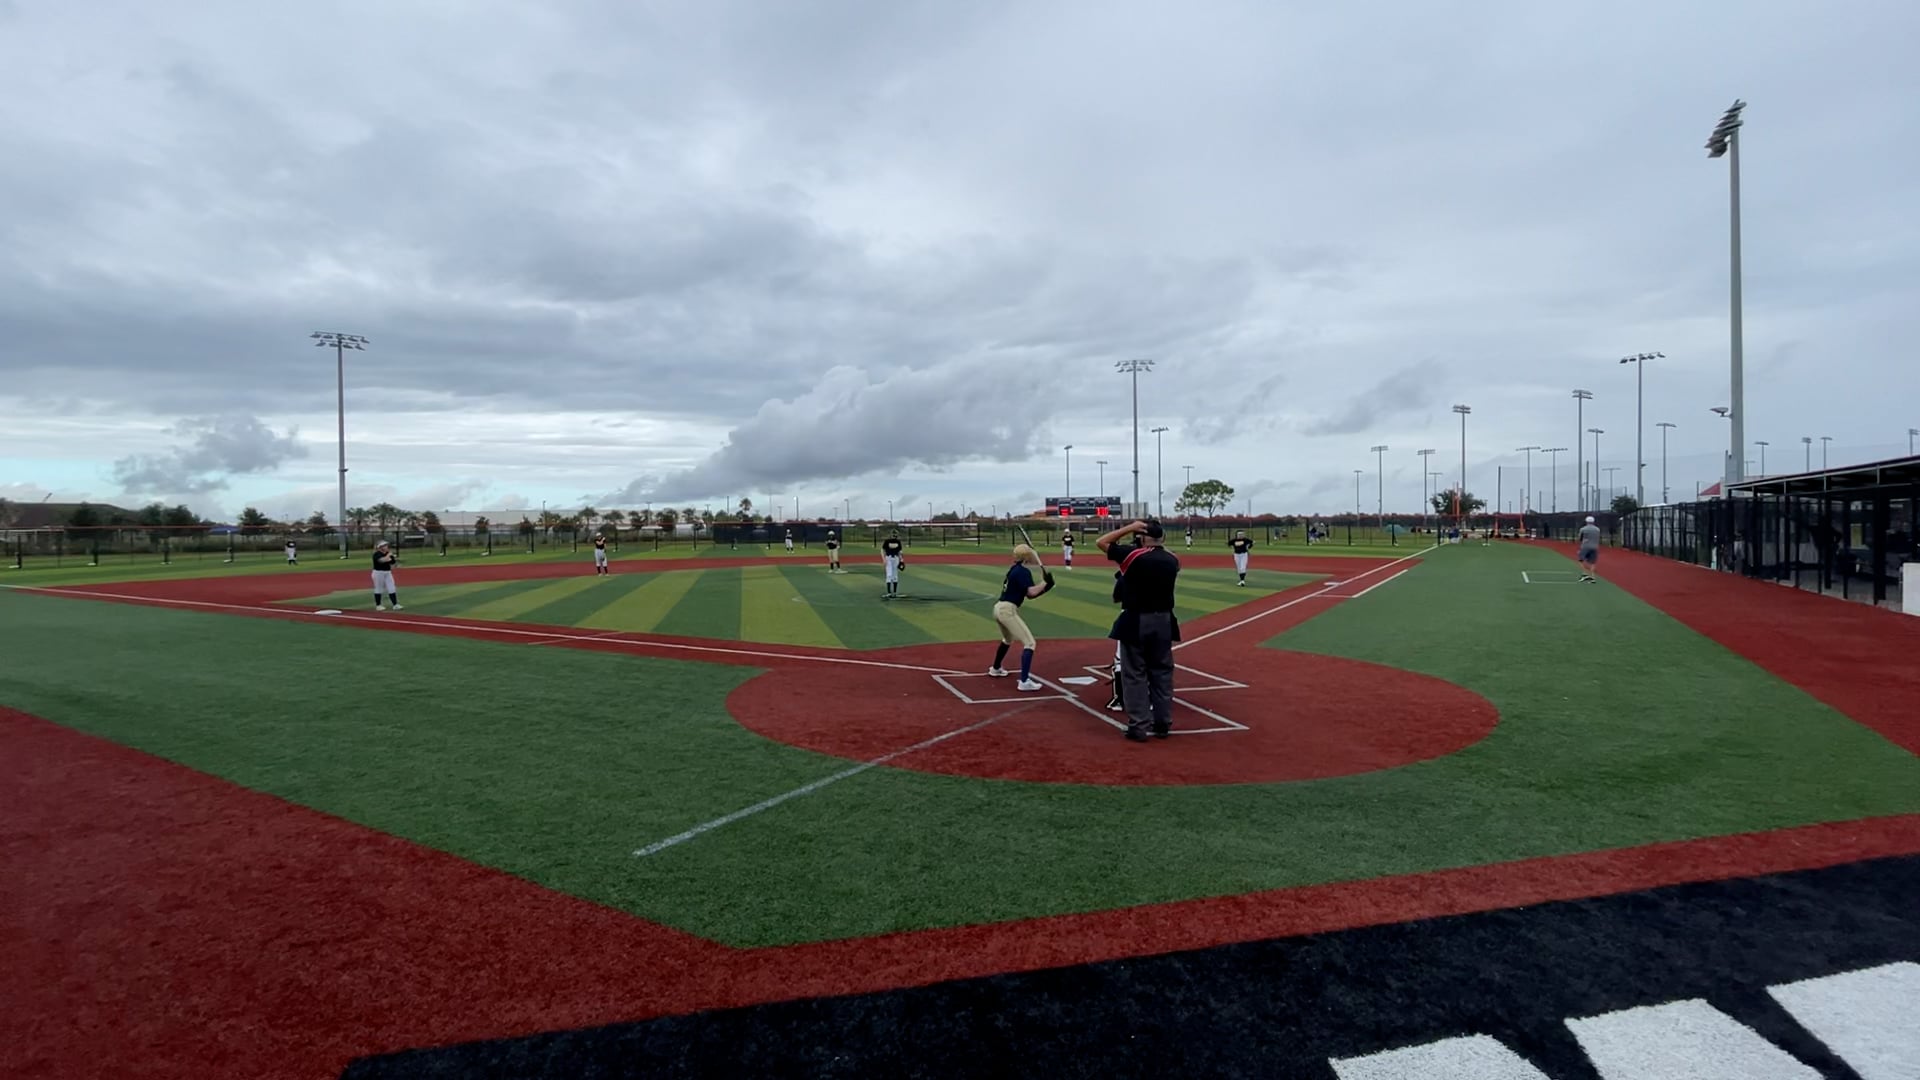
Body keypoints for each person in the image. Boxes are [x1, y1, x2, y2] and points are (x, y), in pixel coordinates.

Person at [1097, 519, 1180, 742]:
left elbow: (1102, 542)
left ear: (1142, 537)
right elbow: (1163, 552)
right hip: (1164, 620)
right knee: (1162, 673)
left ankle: (1138, 726)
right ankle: (1162, 723)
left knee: (1134, 674)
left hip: (1137, 619)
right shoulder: (1173, 559)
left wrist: (1130, 528)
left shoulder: (1133, 556)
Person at [987, 543, 1055, 691]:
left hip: (998, 608)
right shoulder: (1023, 572)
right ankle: (1024, 681)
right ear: (1027, 557)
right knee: (1030, 643)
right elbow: (1031, 593)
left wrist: (1045, 586)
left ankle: (996, 668)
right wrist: (1046, 584)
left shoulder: (1014, 569)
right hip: (1007, 610)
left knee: (1008, 639)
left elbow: (1029, 595)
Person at [371, 541, 402, 611]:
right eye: (384, 545)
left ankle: (395, 604)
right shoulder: (377, 554)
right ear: (380, 547)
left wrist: (397, 564)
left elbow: (393, 563)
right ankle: (378, 605)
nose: (386, 547)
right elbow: (382, 560)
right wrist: (388, 556)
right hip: (378, 573)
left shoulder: (388, 553)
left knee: (392, 587)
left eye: (386, 545)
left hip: (387, 572)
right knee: (379, 588)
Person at [1578, 515, 1602, 583]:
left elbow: (1580, 538)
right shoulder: (1597, 529)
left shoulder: (1583, 529)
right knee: (1592, 562)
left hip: (1585, 546)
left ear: (1586, 521)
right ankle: (1593, 577)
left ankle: (1585, 573)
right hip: (1595, 547)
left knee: (1580, 560)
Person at [881, 530, 905, 598]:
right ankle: (889, 593)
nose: (894, 535)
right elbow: (882, 550)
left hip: (896, 558)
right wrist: (884, 559)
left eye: (895, 534)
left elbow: (900, 552)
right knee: (889, 575)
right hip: (888, 558)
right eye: (893, 534)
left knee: (895, 575)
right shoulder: (887, 541)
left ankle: (894, 593)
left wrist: (901, 560)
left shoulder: (898, 541)